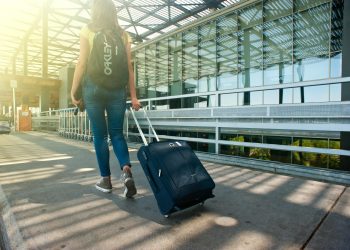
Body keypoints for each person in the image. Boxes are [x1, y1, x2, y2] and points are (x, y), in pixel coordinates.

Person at [70, 0, 141, 198]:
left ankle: (106, 180)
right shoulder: (123, 34)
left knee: (100, 136)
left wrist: (73, 90)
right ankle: (126, 171)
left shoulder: (88, 29)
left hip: (93, 89)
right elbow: (129, 68)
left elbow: (81, 63)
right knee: (117, 134)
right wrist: (133, 96)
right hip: (117, 90)